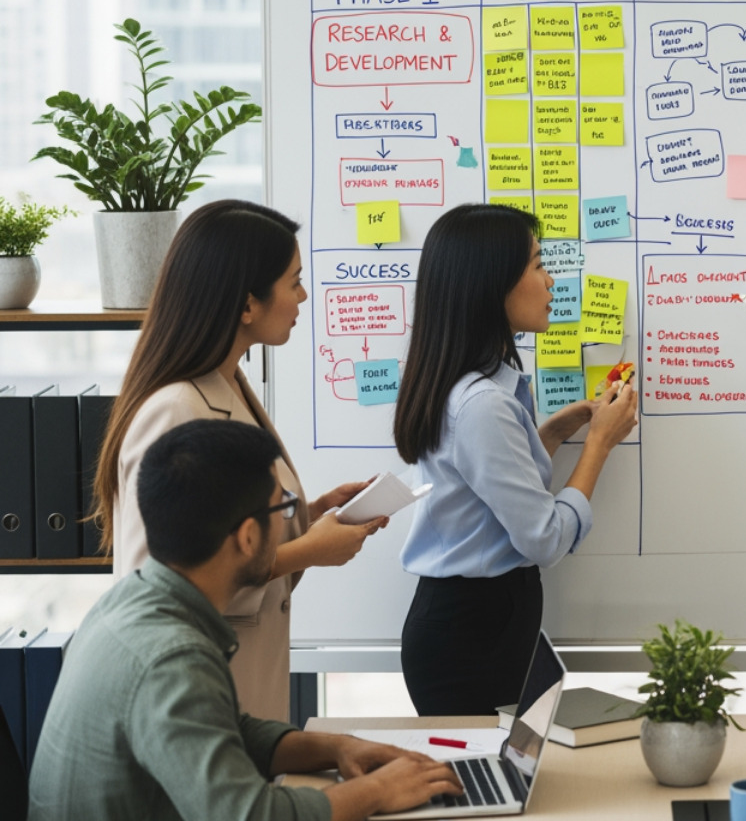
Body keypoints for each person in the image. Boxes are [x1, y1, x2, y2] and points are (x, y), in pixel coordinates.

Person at [29, 419, 463, 821]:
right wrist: (376, 793)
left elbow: (223, 729)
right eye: (284, 510)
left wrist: (338, 746)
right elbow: (247, 814)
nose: (293, 522)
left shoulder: (136, 599)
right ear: (248, 537)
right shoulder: (171, 657)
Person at [94, 199, 387, 721]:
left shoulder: (229, 383)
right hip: (193, 704)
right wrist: (307, 552)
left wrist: (310, 516)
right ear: (247, 303)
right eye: (294, 281)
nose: (303, 296)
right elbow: (159, 587)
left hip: (242, 692)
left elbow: (223, 529)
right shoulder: (176, 411)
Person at [394, 203, 638, 715]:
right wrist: (599, 446)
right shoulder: (483, 403)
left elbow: (486, 479)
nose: (551, 281)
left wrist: (555, 430)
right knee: (491, 787)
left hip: (478, 625)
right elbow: (544, 537)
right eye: (537, 265)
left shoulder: (473, 384)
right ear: (493, 285)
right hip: (469, 640)